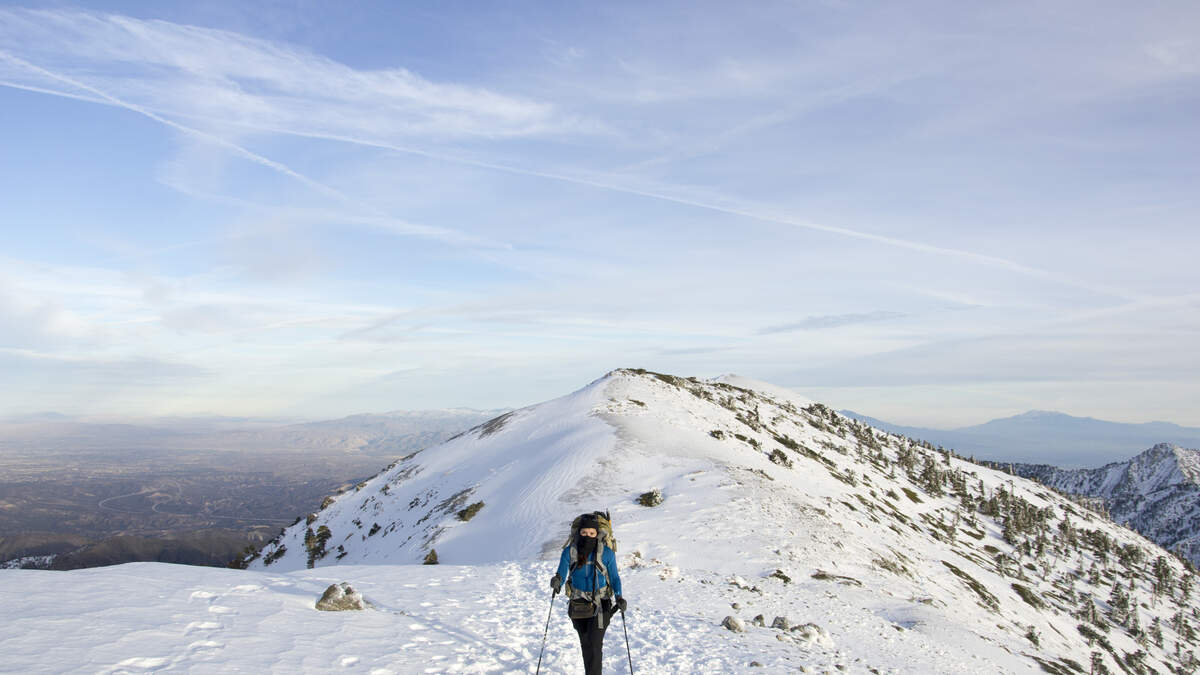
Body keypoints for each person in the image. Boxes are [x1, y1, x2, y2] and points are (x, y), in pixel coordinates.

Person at [550, 513, 626, 675]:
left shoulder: (606, 553)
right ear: (578, 533)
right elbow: (562, 573)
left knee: (594, 643)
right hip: (577, 604)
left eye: (591, 533)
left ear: (597, 534)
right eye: (584, 533)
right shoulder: (569, 552)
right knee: (586, 643)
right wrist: (557, 581)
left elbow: (614, 577)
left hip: (601, 604)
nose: (587, 536)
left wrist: (619, 596)